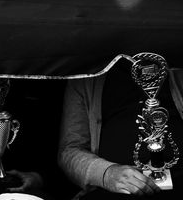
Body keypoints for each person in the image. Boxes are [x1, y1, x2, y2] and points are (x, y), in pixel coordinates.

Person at [58, 58, 183, 200]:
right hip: (113, 190)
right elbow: (69, 150)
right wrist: (106, 174)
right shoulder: (84, 76)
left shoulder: (176, 59)